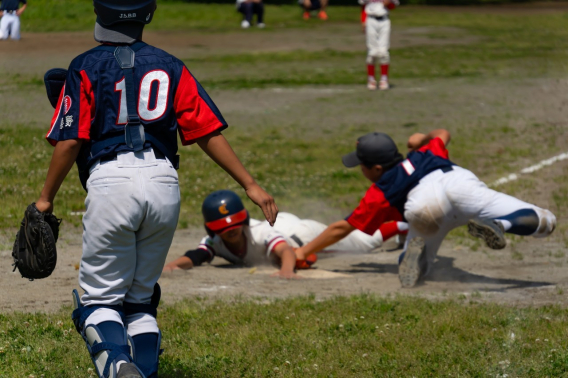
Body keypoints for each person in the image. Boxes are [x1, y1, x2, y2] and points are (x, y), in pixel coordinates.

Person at [36, 1, 277, 377]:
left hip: (112, 180)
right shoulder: (170, 64)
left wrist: (45, 198)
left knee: (99, 301)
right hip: (164, 183)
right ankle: (145, 371)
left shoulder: (85, 65)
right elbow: (206, 132)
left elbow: (69, 142)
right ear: (147, 16)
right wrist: (250, 185)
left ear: (100, 15)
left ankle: (116, 364)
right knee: (140, 300)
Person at [295, 130, 556, 288]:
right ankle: (502, 225)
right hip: (458, 181)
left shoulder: (381, 191)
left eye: (361, 165)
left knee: (418, 262)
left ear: (376, 169)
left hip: (423, 205)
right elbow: (443, 132)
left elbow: (342, 228)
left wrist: (303, 251)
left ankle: (415, 259)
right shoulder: (424, 152)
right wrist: (422, 137)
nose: (360, 169)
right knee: (545, 220)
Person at [163, 190, 408, 274]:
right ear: (212, 229)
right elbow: (196, 256)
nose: (231, 231)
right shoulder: (213, 241)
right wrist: (171, 266)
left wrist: (287, 271)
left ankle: (404, 224)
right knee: (362, 241)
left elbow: (286, 251)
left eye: (235, 224)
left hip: (302, 234)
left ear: (244, 220)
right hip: (284, 227)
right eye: (223, 228)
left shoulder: (258, 233)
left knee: (365, 242)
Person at [359, 0, 399, 90]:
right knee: (372, 52)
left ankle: (384, 79)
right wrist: (363, 21)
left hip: (384, 20)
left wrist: (389, 4)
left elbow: (393, 6)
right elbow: (363, 6)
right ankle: (371, 79)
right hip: (371, 20)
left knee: (383, 52)